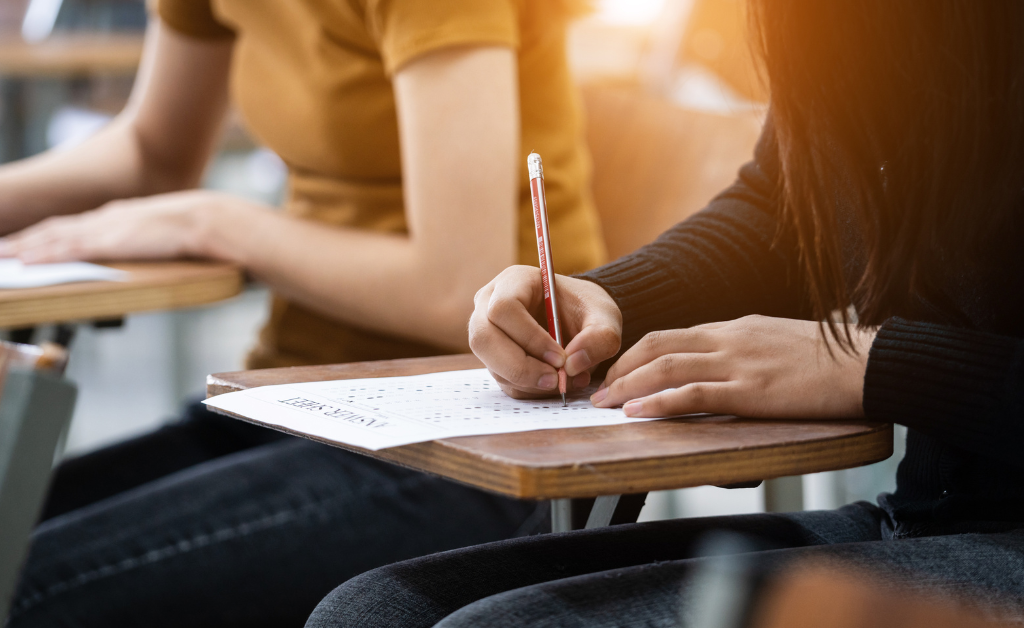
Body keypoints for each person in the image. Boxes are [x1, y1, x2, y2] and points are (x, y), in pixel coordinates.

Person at [306, 1, 1024, 626]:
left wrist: (875, 364)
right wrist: (607, 300)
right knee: (374, 611)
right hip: (929, 518)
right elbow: (786, 210)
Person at [0, 1, 605, 626]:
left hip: (480, 431)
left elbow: (454, 289)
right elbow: (154, 152)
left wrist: (213, 221)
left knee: (25, 589)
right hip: (296, 394)